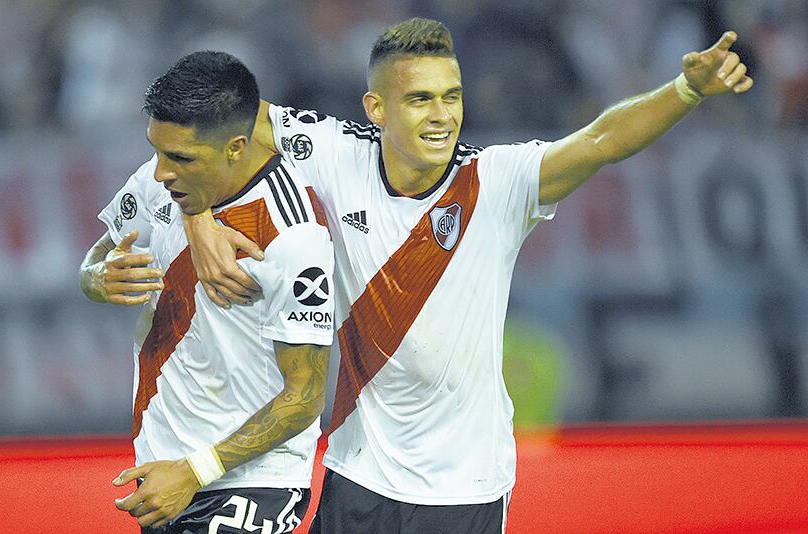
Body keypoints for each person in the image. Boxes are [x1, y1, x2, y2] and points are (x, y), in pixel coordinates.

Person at [182, 18, 753, 534]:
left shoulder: (497, 182)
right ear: (377, 109)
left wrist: (686, 91)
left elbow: (601, 141)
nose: (442, 115)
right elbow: (208, 109)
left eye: (452, 97)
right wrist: (197, 216)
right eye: (421, 99)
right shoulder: (331, 152)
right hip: (356, 476)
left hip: (465, 489)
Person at [79, 51, 335, 533]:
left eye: (179, 157)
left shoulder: (291, 234)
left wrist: (194, 473)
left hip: (248, 483)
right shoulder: (171, 185)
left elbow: (305, 397)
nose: (158, 172)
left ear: (237, 147)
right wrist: (99, 277)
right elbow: (93, 262)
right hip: (163, 473)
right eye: (155, 150)